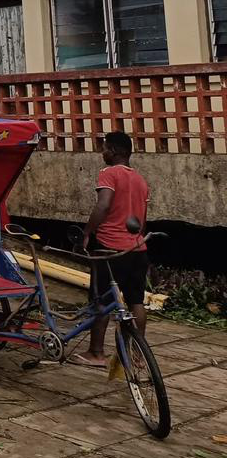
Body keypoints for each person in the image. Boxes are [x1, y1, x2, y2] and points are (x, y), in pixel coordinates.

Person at [71, 131, 150, 368]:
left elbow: (103, 205)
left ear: (115, 151)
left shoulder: (109, 173)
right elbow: (142, 219)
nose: (102, 152)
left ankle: (96, 352)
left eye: (104, 148)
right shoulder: (140, 180)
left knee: (101, 301)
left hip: (109, 249)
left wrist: (86, 233)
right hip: (137, 248)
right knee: (136, 301)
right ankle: (136, 355)